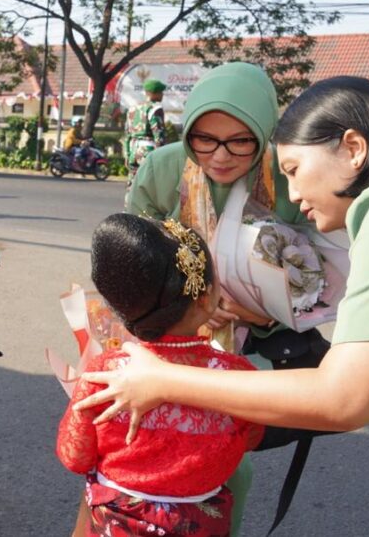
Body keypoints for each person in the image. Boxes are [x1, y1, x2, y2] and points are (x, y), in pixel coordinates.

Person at [77, 75, 369, 535]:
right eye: (204, 139)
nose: (293, 192)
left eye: (293, 169)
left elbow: (344, 397)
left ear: (353, 148)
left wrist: (161, 379)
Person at [125, 62, 328, 534]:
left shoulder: (287, 173)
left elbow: (319, 268)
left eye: (240, 141)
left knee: (228, 458)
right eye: (204, 139)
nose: (219, 156)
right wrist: (183, 304)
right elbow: (132, 250)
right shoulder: (164, 166)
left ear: (264, 133)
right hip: (169, 333)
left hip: (255, 336)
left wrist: (262, 312)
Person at [58, 214, 262, 537]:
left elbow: (75, 456)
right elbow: (249, 439)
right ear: (206, 298)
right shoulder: (236, 377)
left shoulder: (105, 374)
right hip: (201, 523)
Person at [124, 79, 167, 183]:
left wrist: (127, 154)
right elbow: (158, 134)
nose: (162, 95)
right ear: (154, 93)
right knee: (150, 185)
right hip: (148, 151)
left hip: (133, 150)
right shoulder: (155, 109)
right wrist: (161, 155)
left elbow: (127, 135)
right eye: (160, 92)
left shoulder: (133, 109)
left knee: (133, 185)